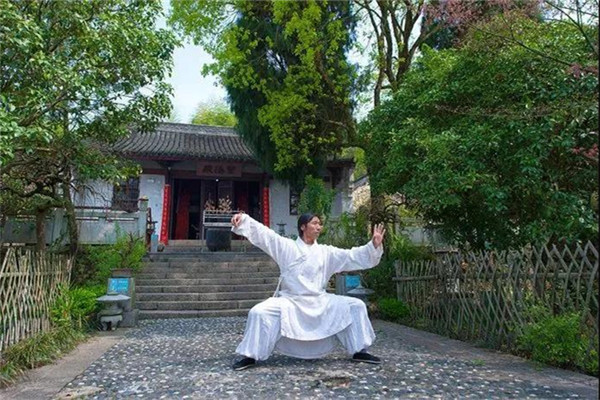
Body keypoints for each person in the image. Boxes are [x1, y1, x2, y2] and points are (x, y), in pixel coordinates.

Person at [230, 211, 385, 371]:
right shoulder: (287, 247)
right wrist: (244, 220)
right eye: (315, 223)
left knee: (356, 306)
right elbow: (265, 235)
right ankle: (250, 355)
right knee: (258, 312)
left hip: (320, 300)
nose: (319, 227)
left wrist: (372, 246)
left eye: (320, 224)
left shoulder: (326, 252)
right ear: (303, 227)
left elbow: (351, 256)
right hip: (291, 301)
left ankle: (360, 351)